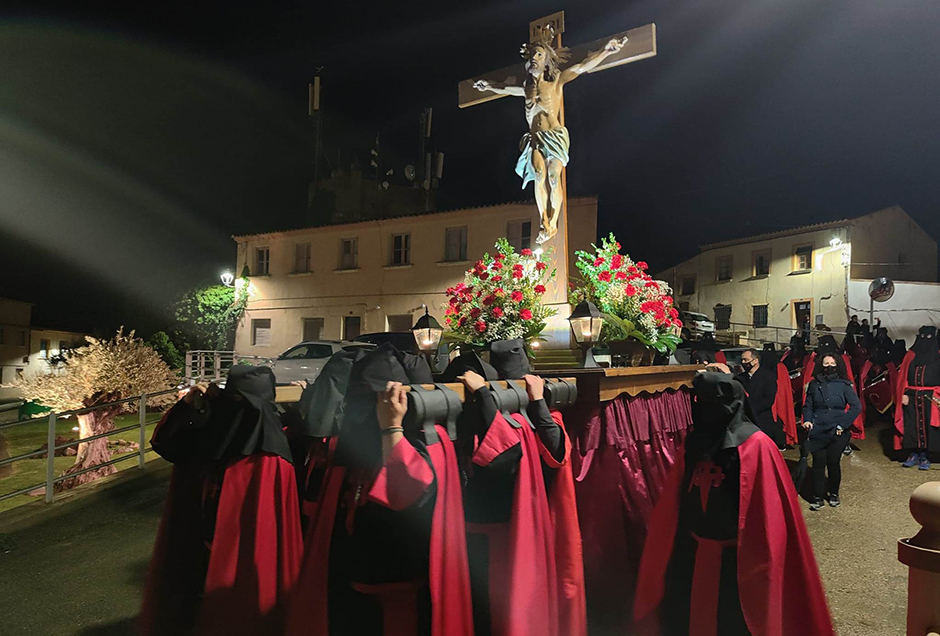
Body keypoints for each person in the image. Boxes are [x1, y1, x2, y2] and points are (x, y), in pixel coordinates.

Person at [286, 345, 474, 636]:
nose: (371, 406)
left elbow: (407, 492)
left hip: (399, 579)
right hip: (353, 571)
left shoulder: (428, 440)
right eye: (364, 398)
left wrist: (391, 428)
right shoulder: (350, 439)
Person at [633, 372, 834, 636]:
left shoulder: (758, 445)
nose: (705, 408)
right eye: (701, 401)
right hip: (692, 555)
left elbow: (769, 521)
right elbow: (677, 503)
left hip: (738, 565)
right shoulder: (694, 443)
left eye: (712, 401)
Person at [140, 366, 304, 636]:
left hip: (233, 561)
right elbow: (165, 442)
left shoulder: (272, 455)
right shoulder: (216, 435)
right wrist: (188, 405)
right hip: (203, 548)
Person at [450, 339, 586, 636]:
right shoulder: (499, 418)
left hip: (522, 526)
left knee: (510, 605)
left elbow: (555, 454)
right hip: (484, 527)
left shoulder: (533, 421)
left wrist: (536, 404)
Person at [473, 30, 627, 243]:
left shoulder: (556, 82)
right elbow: (503, 88)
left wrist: (606, 51)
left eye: (538, 55)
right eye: (532, 56)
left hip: (554, 136)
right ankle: (543, 218)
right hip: (534, 138)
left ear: (546, 60)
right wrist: (488, 85)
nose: (534, 59)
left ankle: (553, 221)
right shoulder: (526, 88)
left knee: (554, 176)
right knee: (538, 173)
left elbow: (582, 66)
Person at [802, 354, 862, 511]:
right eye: (826, 363)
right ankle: (817, 497)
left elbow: (856, 406)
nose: (829, 366)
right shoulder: (814, 385)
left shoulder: (844, 385)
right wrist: (807, 419)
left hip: (837, 430)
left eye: (832, 363)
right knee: (818, 464)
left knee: (833, 463)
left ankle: (834, 493)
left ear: (838, 366)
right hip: (818, 428)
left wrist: (843, 424)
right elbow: (808, 406)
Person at [895, 326, 940, 470]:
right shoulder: (910, 355)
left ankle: (925, 456)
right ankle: (913, 454)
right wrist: (904, 393)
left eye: (929, 337)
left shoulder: (938, 355)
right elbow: (903, 378)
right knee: (912, 426)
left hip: (931, 398)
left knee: (928, 426)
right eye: (922, 336)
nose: (925, 340)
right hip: (912, 397)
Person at [736, 349, 786, 449]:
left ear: (755, 360)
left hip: (761, 420)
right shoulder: (740, 378)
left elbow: (769, 399)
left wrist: (751, 409)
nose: (743, 363)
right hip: (744, 421)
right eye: (742, 360)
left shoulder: (768, 377)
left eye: (746, 360)